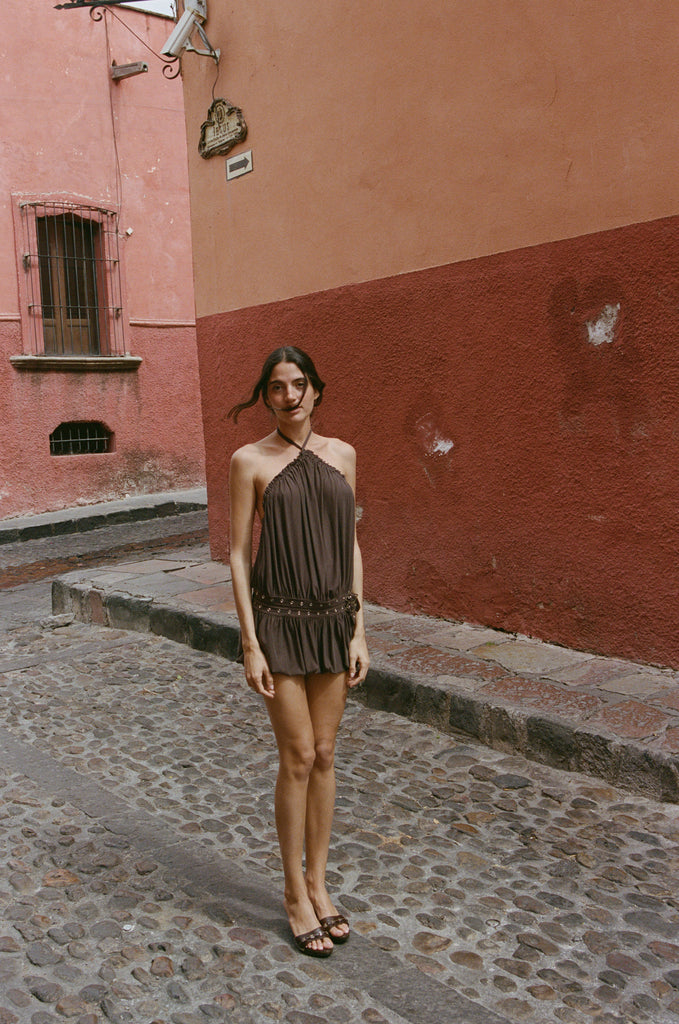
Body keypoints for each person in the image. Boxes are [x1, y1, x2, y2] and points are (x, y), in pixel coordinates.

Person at [228, 347, 370, 957]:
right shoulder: (249, 460)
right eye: (277, 387)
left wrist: (359, 628)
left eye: (299, 384)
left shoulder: (344, 455)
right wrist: (249, 641)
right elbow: (239, 554)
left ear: (316, 390)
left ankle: (319, 883)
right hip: (280, 623)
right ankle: (292, 892)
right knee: (298, 756)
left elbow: (350, 542)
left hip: (334, 620)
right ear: (266, 396)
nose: (289, 396)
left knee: (327, 754)